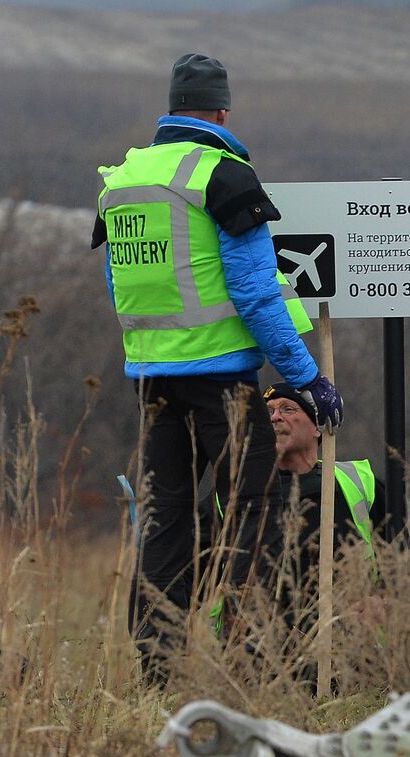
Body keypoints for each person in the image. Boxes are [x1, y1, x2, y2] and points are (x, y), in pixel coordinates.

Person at [94, 52, 343, 683]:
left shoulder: (122, 180)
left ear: (171, 107)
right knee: (253, 509)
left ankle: (157, 667)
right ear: (222, 110)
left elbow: (118, 279)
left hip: (151, 379)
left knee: (166, 517)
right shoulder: (224, 176)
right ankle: (253, 658)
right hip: (222, 384)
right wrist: (306, 376)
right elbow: (257, 294)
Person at [263, 383, 387, 578]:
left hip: (348, 607)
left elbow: (406, 557)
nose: (275, 417)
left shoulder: (358, 482)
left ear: (318, 428)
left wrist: (383, 601)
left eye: (287, 409)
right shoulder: (241, 491)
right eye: (268, 411)